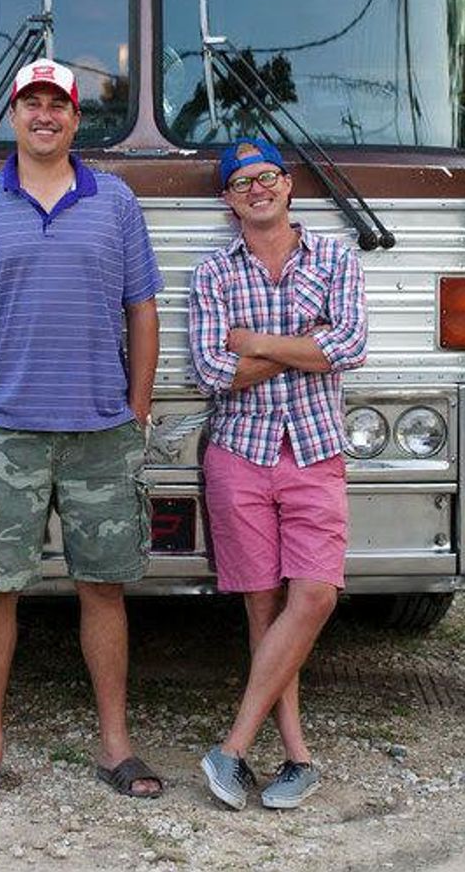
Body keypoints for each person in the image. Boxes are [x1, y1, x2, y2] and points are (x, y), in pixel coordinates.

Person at [0, 58, 163, 803]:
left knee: (104, 588)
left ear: (75, 118)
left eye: (57, 104)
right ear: (13, 116)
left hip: (101, 432)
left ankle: (117, 744)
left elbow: (143, 309)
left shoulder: (116, 202)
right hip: (4, 432)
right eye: (31, 103)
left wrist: (137, 410)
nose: (44, 115)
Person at [188, 137, 367, 811]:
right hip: (239, 453)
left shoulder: (335, 257)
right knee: (263, 607)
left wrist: (256, 342)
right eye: (241, 184)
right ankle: (296, 757)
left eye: (266, 178)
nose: (256, 189)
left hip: (315, 449)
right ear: (228, 200)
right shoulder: (213, 272)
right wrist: (304, 346)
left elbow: (348, 345)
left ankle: (232, 748)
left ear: (289, 186)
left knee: (315, 596)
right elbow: (212, 371)